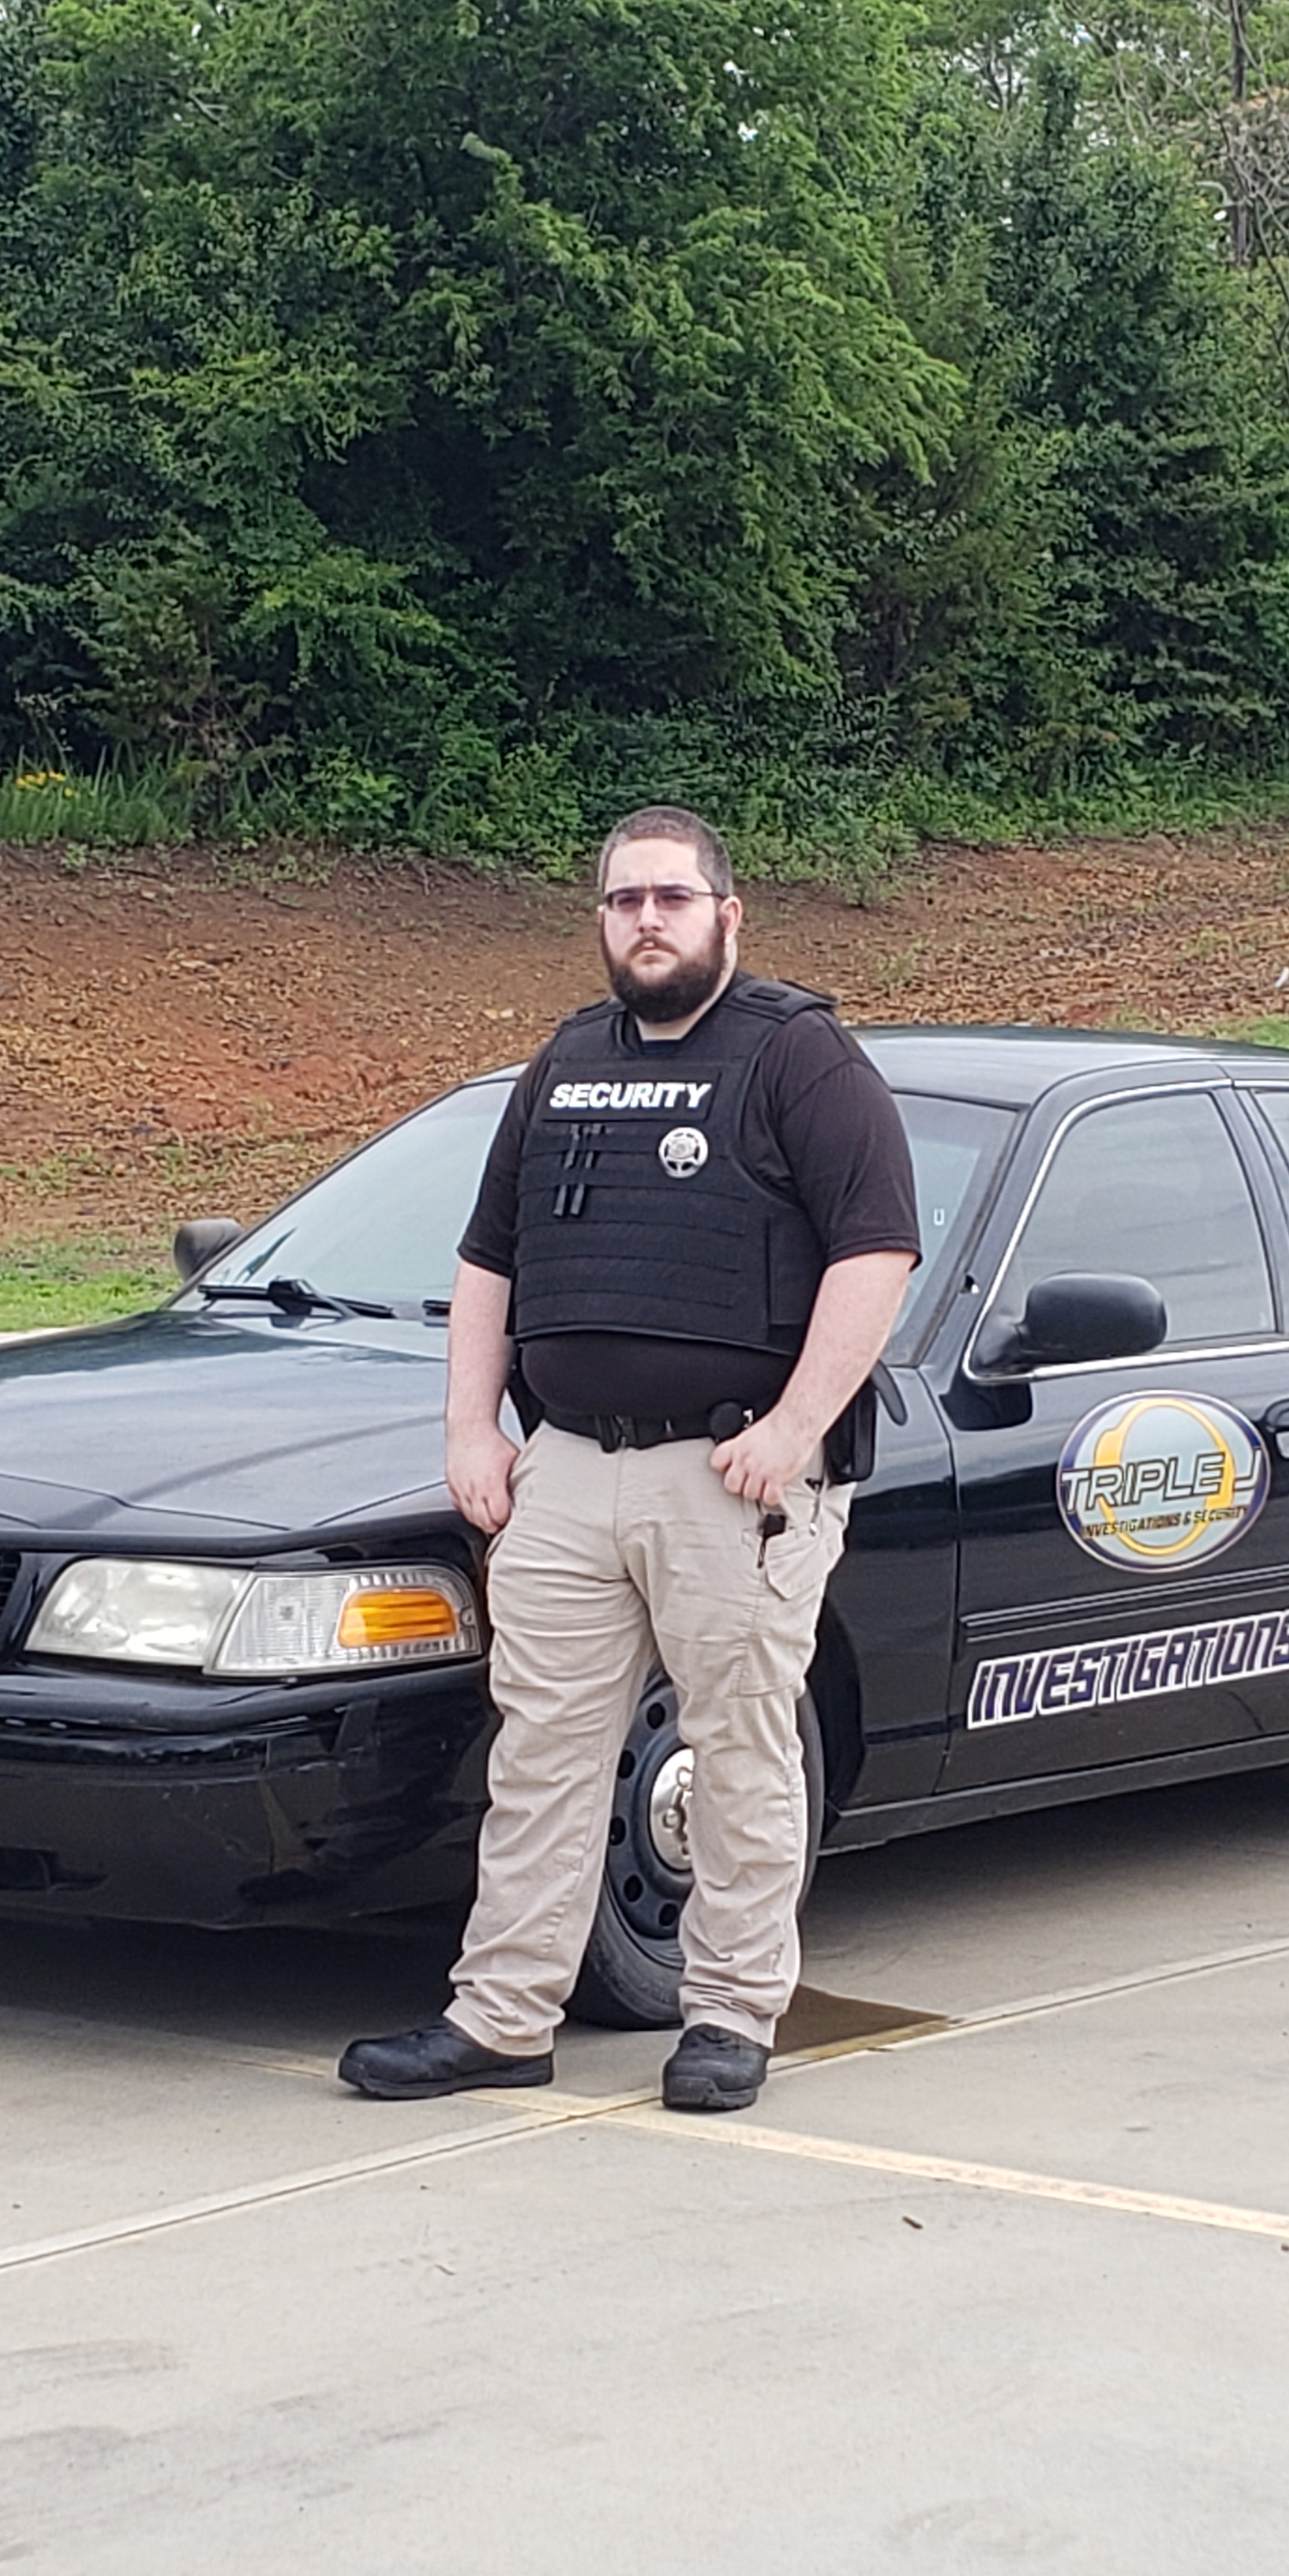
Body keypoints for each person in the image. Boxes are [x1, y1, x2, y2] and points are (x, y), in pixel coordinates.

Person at [339, 804, 919, 2116]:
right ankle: (500, 2017)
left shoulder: (801, 1058)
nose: (645, 920)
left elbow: (875, 1253)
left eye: (670, 897)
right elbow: (489, 1260)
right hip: (566, 1475)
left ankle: (727, 2018)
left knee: (738, 1753)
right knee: (539, 1756)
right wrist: (470, 1430)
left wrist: (793, 1429)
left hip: (730, 1481)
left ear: (727, 914)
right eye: (622, 901)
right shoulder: (565, 1061)